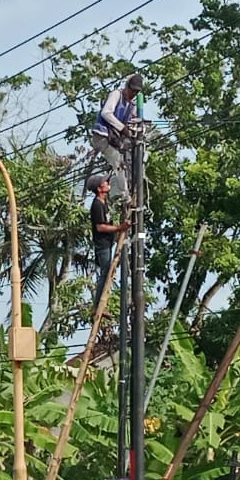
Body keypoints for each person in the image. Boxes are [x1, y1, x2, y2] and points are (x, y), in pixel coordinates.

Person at [90, 72, 142, 200]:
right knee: (118, 163)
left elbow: (133, 121)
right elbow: (106, 113)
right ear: (127, 87)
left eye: (136, 92)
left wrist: (135, 128)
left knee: (127, 163)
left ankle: (119, 189)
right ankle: (124, 195)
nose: (133, 94)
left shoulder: (132, 105)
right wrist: (122, 128)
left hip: (114, 139)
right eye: (132, 90)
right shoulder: (116, 95)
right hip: (102, 136)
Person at [88, 175, 125, 311]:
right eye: (105, 182)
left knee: (108, 271)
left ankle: (100, 305)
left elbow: (108, 223)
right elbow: (100, 227)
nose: (108, 183)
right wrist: (119, 228)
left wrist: (116, 233)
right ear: (99, 188)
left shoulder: (104, 203)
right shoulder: (97, 205)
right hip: (102, 245)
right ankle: (98, 305)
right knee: (106, 272)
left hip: (108, 243)